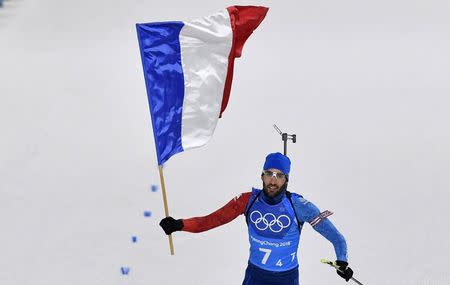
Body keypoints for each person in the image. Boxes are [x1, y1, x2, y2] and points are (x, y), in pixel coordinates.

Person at [160, 152, 353, 285]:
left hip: (286, 278)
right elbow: (212, 220)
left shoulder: (299, 206)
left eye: (279, 175)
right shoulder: (247, 201)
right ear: (262, 176)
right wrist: (179, 224)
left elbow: (336, 237)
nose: (273, 180)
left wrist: (342, 260)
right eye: (269, 174)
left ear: (286, 179)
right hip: (256, 275)